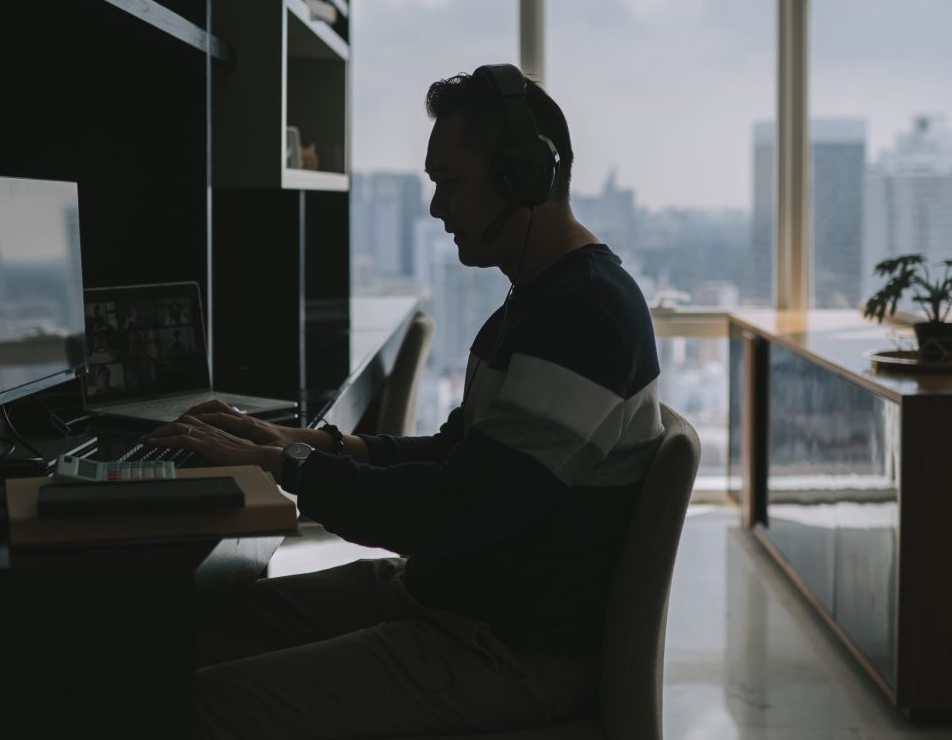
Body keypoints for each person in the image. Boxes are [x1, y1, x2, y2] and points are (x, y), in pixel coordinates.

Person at [143, 65, 665, 738]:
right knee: (183, 635)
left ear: (522, 176)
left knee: (198, 706)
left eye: (449, 181)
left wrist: (292, 467)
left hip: (498, 649)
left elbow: (456, 511)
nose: (437, 207)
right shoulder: (538, 299)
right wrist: (306, 443)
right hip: (445, 600)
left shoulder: (585, 316)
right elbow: (457, 454)